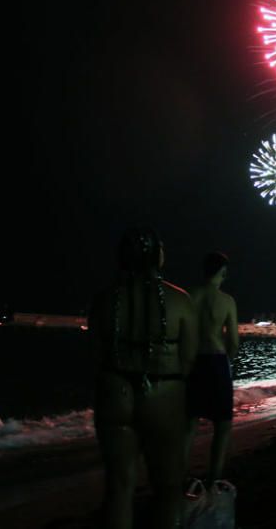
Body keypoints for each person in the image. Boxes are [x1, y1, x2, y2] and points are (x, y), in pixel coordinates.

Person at [88, 227, 197, 529]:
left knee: (119, 487)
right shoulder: (180, 301)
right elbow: (189, 359)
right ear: (157, 256)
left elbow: (95, 357)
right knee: (168, 487)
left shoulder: (104, 300)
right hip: (165, 393)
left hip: (115, 391)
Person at [184, 252, 240, 483]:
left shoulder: (188, 296)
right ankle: (214, 479)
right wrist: (230, 359)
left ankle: (181, 476)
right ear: (223, 273)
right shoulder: (226, 301)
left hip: (194, 361)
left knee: (190, 423)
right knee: (223, 425)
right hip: (217, 361)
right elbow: (233, 341)